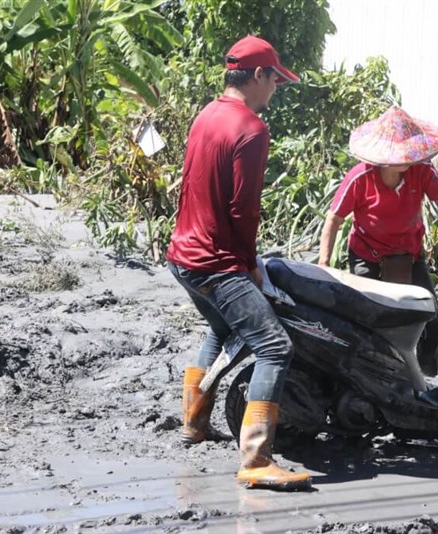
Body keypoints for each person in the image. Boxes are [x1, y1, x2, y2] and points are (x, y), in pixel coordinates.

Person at [166, 35, 311, 491]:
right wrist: (249, 265)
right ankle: (255, 459)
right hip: (216, 262)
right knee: (275, 346)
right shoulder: (251, 128)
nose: (276, 90)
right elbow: (243, 209)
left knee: (222, 329)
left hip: (182, 256)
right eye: (275, 81)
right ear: (258, 75)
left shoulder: (207, 114)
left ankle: (194, 422)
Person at [318, 106, 438, 377]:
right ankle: (369, 374)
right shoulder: (359, 178)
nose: (408, 159)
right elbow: (334, 219)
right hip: (368, 255)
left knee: (429, 313)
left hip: (409, 254)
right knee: (369, 318)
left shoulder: (422, 171)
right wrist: (324, 264)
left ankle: (425, 378)